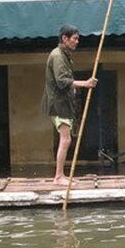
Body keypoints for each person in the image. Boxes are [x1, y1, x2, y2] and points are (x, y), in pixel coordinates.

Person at [41, 24, 98, 185]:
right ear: (64, 38)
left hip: (62, 103)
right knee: (65, 139)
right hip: (58, 104)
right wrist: (85, 84)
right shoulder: (58, 55)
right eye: (74, 39)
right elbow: (61, 81)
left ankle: (60, 175)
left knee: (65, 139)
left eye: (78, 39)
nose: (77, 42)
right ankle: (59, 176)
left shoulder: (63, 54)